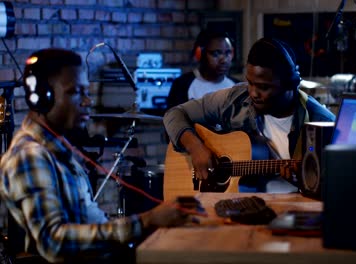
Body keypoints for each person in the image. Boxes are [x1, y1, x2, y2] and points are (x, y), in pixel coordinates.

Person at [0, 48, 197, 263]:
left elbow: (84, 220)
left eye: (87, 92)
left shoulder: (55, 148)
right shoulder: (30, 156)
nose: (87, 102)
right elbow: (54, 242)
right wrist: (146, 221)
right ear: (43, 97)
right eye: (76, 92)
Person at [163, 37, 335, 193]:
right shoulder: (235, 99)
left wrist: (306, 183)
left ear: (290, 85)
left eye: (263, 87)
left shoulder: (323, 123)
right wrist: (196, 147)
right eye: (250, 83)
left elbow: (338, 187)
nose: (253, 93)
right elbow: (174, 114)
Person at [166, 28, 237, 109]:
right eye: (216, 53)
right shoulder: (182, 86)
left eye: (228, 53)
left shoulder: (238, 87)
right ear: (200, 54)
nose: (224, 60)